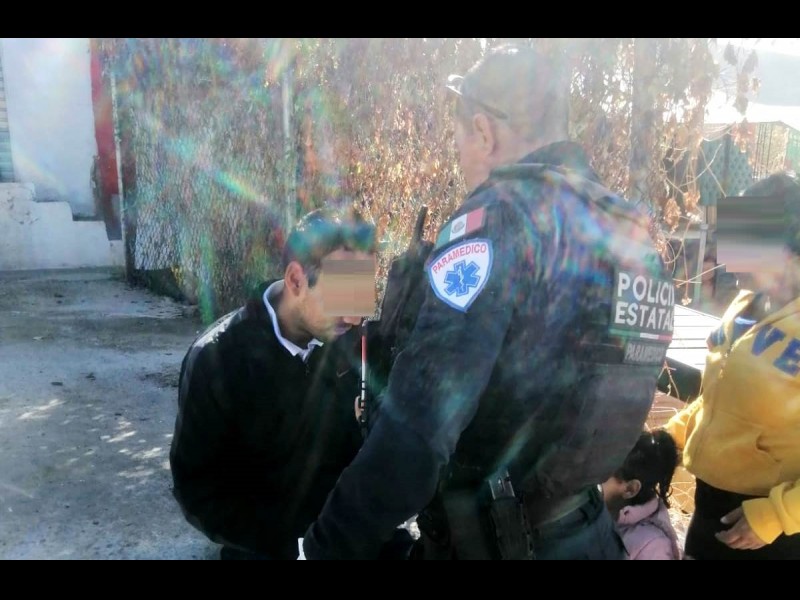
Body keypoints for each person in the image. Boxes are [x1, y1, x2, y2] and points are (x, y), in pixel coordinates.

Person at [302, 44, 675, 560]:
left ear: (484, 131)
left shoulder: (496, 222)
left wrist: (324, 546)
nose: (460, 157)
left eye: (459, 138)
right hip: (588, 534)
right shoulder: (627, 233)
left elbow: (418, 429)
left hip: (494, 543)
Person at [169, 208, 376, 560]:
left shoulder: (346, 339)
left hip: (341, 536)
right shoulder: (217, 360)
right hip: (263, 547)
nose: (355, 316)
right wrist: (291, 546)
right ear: (296, 279)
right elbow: (196, 490)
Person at [664, 172, 800, 560]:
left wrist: (778, 515)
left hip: (770, 534)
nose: (726, 256)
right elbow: (718, 399)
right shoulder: (744, 306)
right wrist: (670, 439)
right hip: (709, 510)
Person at [602, 429, 681, 560]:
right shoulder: (599, 511)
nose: (589, 483)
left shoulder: (653, 547)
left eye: (601, 478)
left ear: (630, 489)